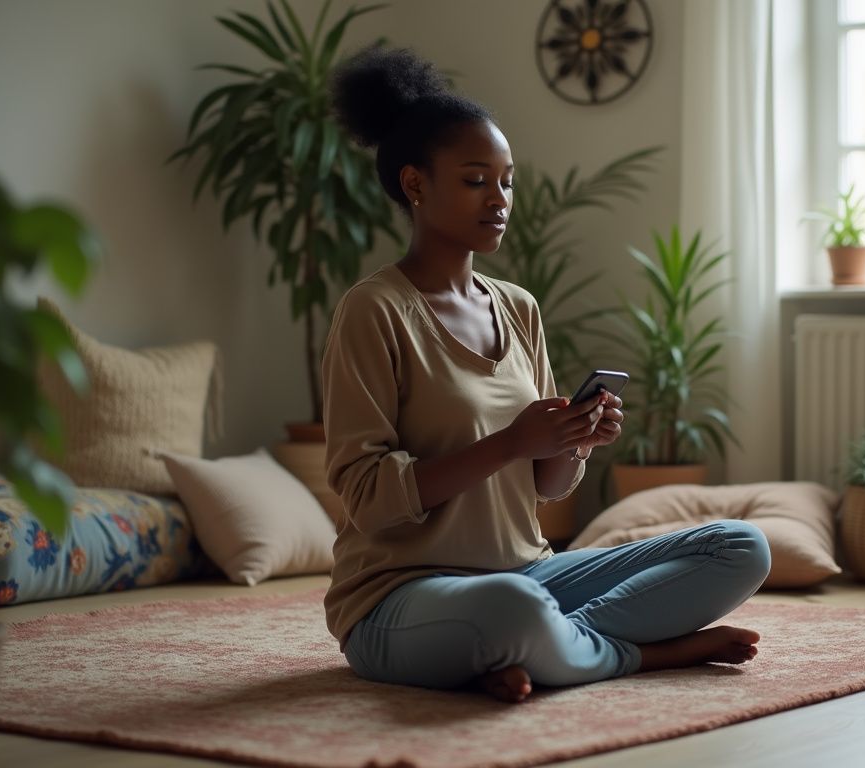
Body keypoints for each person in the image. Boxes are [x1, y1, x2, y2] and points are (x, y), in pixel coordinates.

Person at [323, 46, 771, 704]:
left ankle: (541, 650)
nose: (499, 199)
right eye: (477, 180)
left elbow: (544, 490)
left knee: (741, 546)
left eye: (507, 180)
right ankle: (639, 655)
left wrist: (573, 441)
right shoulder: (374, 310)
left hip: (531, 573)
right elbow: (367, 497)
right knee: (508, 608)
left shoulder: (519, 308)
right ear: (416, 185)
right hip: (400, 597)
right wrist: (509, 442)